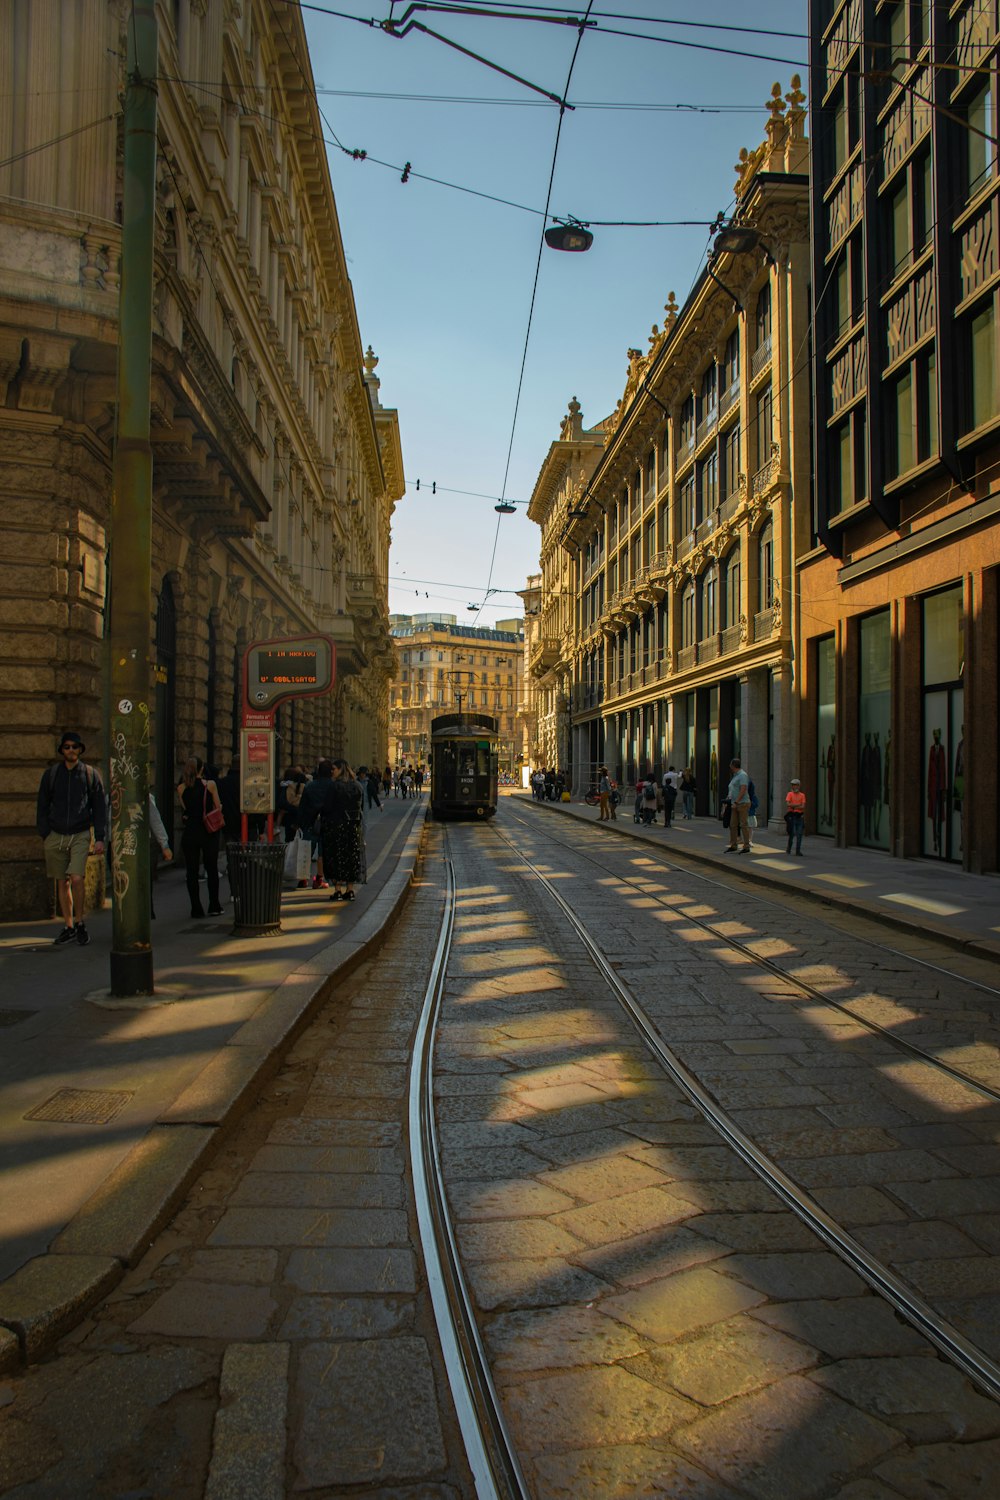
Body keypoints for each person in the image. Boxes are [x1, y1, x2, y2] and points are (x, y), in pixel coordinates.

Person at [36, 731, 107, 946]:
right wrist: (45, 832)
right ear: (61, 750)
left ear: (80, 749)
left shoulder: (89, 774)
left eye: (75, 747)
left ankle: (80, 922)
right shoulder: (51, 775)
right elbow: (42, 804)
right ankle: (68, 926)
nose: (71, 750)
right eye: (67, 747)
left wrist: (100, 837)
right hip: (55, 834)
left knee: (76, 878)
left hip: (80, 833)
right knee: (61, 881)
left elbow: (99, 808)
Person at [176, 756, 224, 917]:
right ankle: (214, 905)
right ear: (202, 769)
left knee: (192, 871)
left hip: (190, 833)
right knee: (211, 868)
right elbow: (217, 807)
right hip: (208, 832)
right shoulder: (210, 785)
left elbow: (186, 810)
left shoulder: (181, 788)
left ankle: (196, 908)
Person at [321, 759, 366, 901]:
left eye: (334, 769)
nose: (332, 772)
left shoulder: (334, 787)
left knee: (336, 857)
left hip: (336, 827)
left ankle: (338, 890)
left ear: (340, 769)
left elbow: (327, 807)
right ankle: (350, 889)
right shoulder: (358, 786)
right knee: (352, 857)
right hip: (353, 827)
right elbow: (361, 808)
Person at [148, 791, 173, 918]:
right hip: (119, 845)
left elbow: (155, 820)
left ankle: (147, 910)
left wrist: (164, 845)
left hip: (142, 845)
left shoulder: (146, 797)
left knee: (145, 880)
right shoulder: (114, 796)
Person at [724, 757, 752, 854]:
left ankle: (746, 846)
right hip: (734, 804)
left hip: (742, 803)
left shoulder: (742, 775)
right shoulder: (735, 775)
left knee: (743, 824)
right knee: (733, 824)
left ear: (733, 765)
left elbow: (743, 789)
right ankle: (733, 844)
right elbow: (733, 789)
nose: (730, 767)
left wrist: (736, 801)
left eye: (730, 765)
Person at [785, 776, 806, 856]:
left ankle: (798, 850)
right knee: (792, 833)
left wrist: (793, 805)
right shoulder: (790, 794)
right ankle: (789, 849)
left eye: (796, 785)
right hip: (792, 816)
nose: (795, 786)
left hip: (800, 816)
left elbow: (803, 806)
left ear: (799, 786)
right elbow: (788, 804)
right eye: (793, 785)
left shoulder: (802, 795)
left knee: (799, 834)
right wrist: (798, 805)